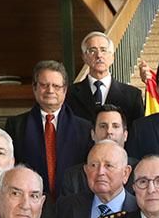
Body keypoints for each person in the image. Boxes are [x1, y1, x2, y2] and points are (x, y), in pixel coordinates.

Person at [5, 60, 93, 196]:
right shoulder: (16, 126)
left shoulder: (84, 128)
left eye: (56, 86)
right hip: (30, 202)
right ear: (34, 88)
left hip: (73, 202)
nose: (50, 90)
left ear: (64, 90)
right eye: (44, 85)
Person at [66, 31, 144, 128]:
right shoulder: (69, 93)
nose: (99, 55)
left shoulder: (132, 95)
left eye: (103, 50)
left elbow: (138, 132)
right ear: (84, 58)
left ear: (112, 57)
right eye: (92, 50)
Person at [57, 104, 137, 197]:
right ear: (92, 134)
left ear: (125, 135)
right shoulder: (73, 178)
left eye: (115, 126)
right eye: (103, 126)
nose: (109, 131)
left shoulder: (140, 172)